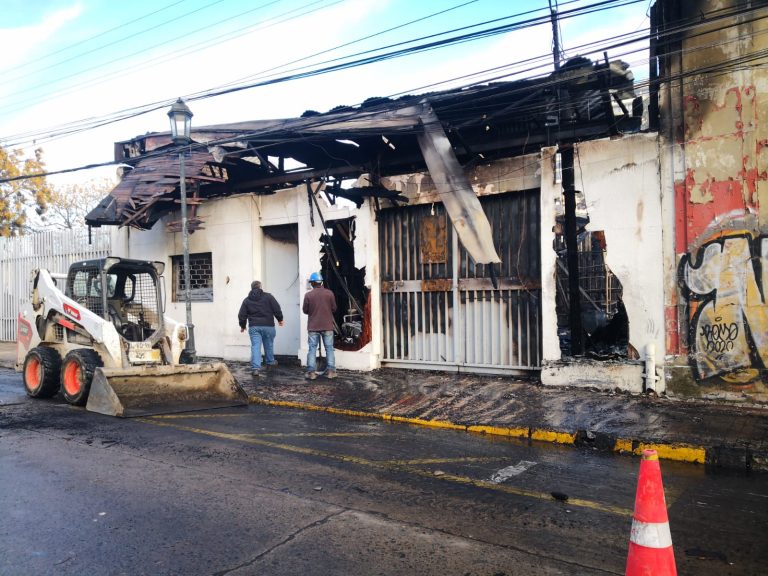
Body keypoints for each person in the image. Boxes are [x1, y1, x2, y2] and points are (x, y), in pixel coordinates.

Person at [238, 280, 284, 377]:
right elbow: (276, 308)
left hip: (254, 327)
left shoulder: (247, 300)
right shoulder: (269, 297)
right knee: (269, 345)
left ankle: (255, 369)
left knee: (255, 346)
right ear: (260, 287)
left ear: (252, 288)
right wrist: (280, 319)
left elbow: (242, 315)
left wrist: (242, 326)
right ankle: (270, 362)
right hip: (268, 326)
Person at [302, 271, 337, 379]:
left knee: (312, 349)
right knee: (329, 348)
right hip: (327, 326)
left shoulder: (308, 295)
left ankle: (311, 373)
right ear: (321, 282)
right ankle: (331, 372)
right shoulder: (329, 293)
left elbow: (305, 310)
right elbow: (334, 308)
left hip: (313, 327)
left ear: (313, 283)